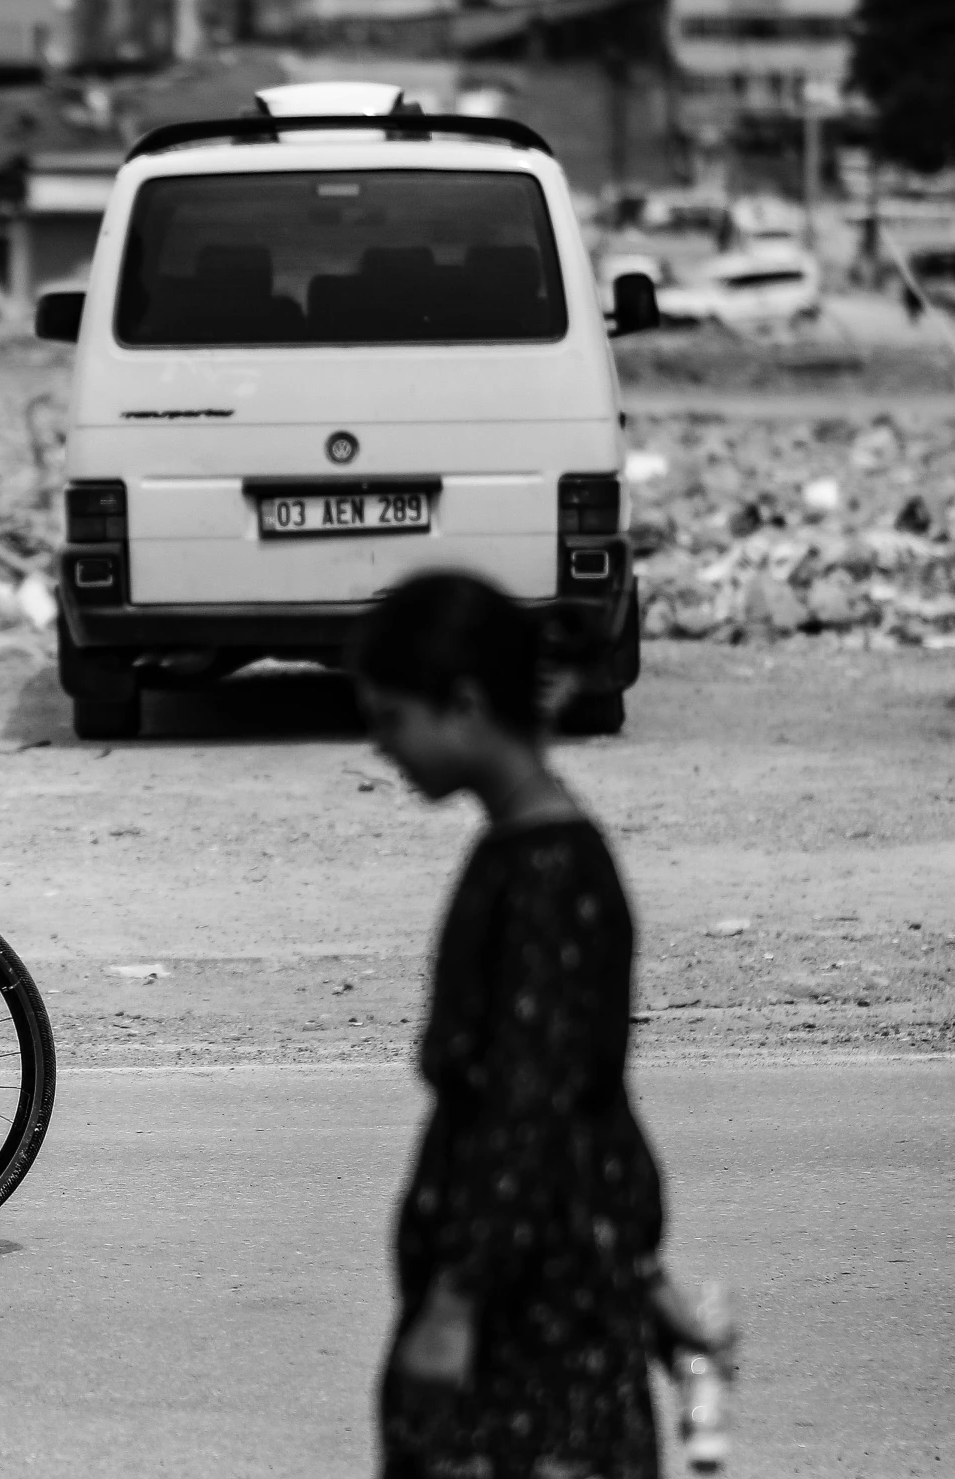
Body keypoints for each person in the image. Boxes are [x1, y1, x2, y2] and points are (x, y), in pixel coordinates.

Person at [352, 570, 736, 1479]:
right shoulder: (532, 852)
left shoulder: (546, 877)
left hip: (526, 1326)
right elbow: (582, 1104)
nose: (381, 747)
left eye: (392, 719)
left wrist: (455, 1304)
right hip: (550, 1295)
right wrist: (648, 1279)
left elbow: (533, 1110)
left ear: (466, 705)